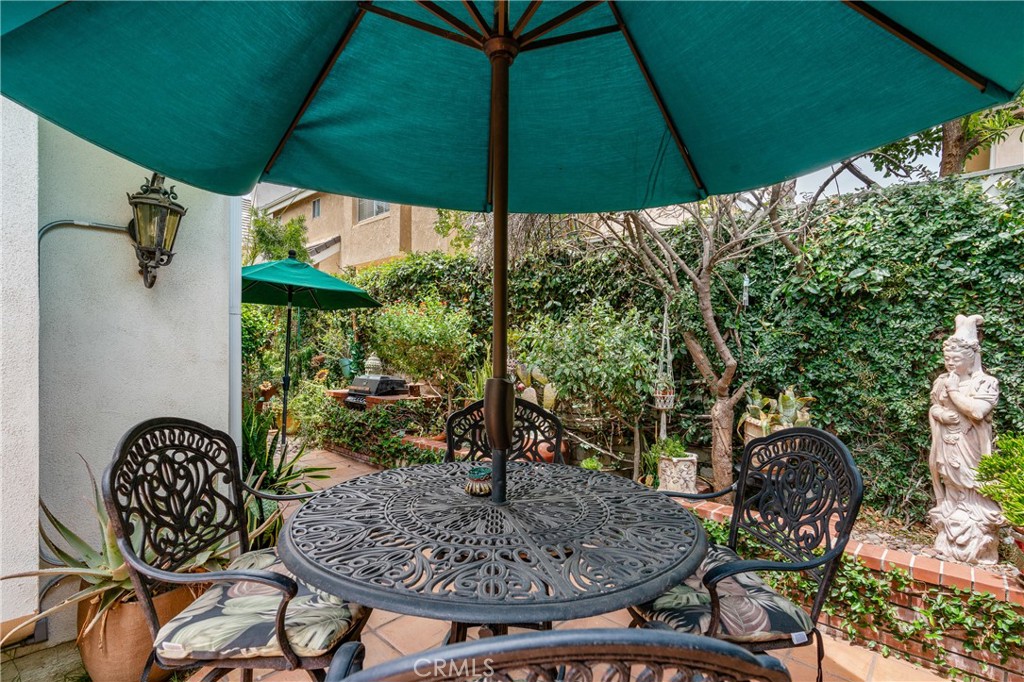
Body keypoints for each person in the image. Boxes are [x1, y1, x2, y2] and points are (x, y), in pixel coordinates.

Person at [928, 314, 1002, 564]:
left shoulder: (986, 383)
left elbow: (977, 412)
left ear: (971, 358)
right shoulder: (942, 381)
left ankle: (975, 527)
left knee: (974, 483)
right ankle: (952, 518)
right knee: (950, 480)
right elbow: (934, 407)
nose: (950, 363)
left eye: (956, 359)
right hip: (947, 443)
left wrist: (954, 391)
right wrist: (941, 414)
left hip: (971, 447)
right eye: (947, 358)